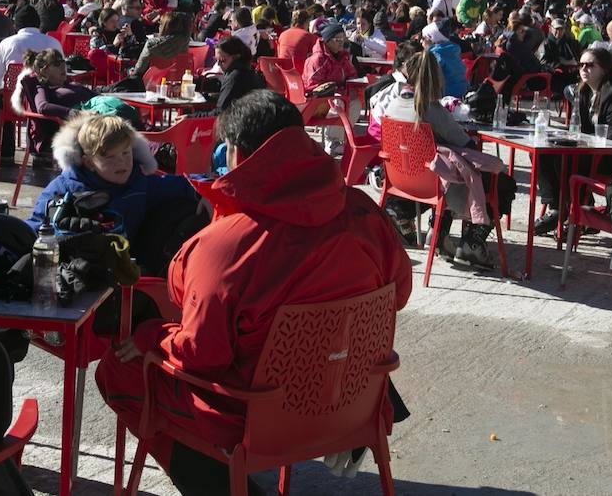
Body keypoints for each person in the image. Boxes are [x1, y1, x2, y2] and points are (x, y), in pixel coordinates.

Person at [94, 91, 411, 495]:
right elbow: (397, 294)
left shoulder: (225, 246)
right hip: (352, 399)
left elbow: (201, 357)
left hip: (261, 413)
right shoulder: (365, 212)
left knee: (118, 370)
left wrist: (150, 335)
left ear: (237, 154)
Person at [30, 109, 200, 274]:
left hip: (129, 268)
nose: (121, 162)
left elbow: (181, 185)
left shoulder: (139, 183)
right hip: (79, 272)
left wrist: (205, 193)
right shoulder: (64, 188)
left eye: (126, 153)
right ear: (89, 162)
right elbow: (34, 227)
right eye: (109, 157)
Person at [382, 51, 503, 270]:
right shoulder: (432, 110)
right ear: (437, 78)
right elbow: (467, 145)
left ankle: (439, 233)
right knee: (500, 182)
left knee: (454, 169)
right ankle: (472, 243)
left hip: (400, 179)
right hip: (432, 183)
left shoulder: (393, 105)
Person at [534, 46, 612, 236]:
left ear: (604, 69)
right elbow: (580, 129)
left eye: (590, 65)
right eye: (581, 65)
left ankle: (579, 212)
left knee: (565, 161)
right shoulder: (584, 92)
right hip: (594, 152)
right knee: (544, 151)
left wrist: (583, 144)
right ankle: (557, 207)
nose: (584, 69)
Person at [15, 47, 97, 163]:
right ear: (44, 70)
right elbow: (42, 107)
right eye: (57, 63)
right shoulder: (41, 87)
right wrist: (76, 113)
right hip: (70, 128)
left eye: (63, 61)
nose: (63, 66)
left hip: (93, 115)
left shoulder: (68, 83)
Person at [0, 6, 61, 92]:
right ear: (38, 22)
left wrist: (8, 89)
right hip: (47, 101)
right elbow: (62, 77)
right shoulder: (53, 43)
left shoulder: (6, 44)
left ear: (16, 24)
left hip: (13, 102)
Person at [207, 36, 265, 113]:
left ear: (236, 57)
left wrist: (189, 117)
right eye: (216, 60)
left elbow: (221, 112)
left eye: (222, 60)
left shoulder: (235, 76)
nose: (218, 64)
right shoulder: (247, 70)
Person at [128, 10, 190, 80]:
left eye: (160, 23)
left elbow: (138, 70)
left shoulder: (151, 44)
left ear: (164, 26)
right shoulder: (186, 42)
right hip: (177, 80)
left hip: (150, 82)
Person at [302, 19, 356, 93]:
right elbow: (312, 86)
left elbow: (352, 74)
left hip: (341, 95)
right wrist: (336, 90)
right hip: (323, 99)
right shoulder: (318, 60)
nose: (341, 42)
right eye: (337, 40)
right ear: (327, 41)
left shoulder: (342, 56)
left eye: (343, 39)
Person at [420, 21, 467, 98]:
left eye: (423, 38)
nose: (421, 41)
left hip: (446, 96)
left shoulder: (435, 55)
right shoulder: (453, 50)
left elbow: (429, 81)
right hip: (462, 92)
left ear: (431, 38)